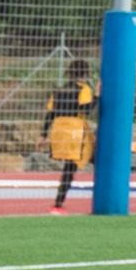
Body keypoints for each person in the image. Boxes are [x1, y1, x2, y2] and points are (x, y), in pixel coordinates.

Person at [44, 62, 96, 214]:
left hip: (59, 131)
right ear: (84, 74)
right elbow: (86, 110)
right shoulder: (84, 89)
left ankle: (58, 204)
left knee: (69, 167)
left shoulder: (58, 91)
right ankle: (107, 194)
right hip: (75, 132)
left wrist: (43, 135)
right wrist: (97, 97)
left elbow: (50, 114)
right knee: (97, 159)